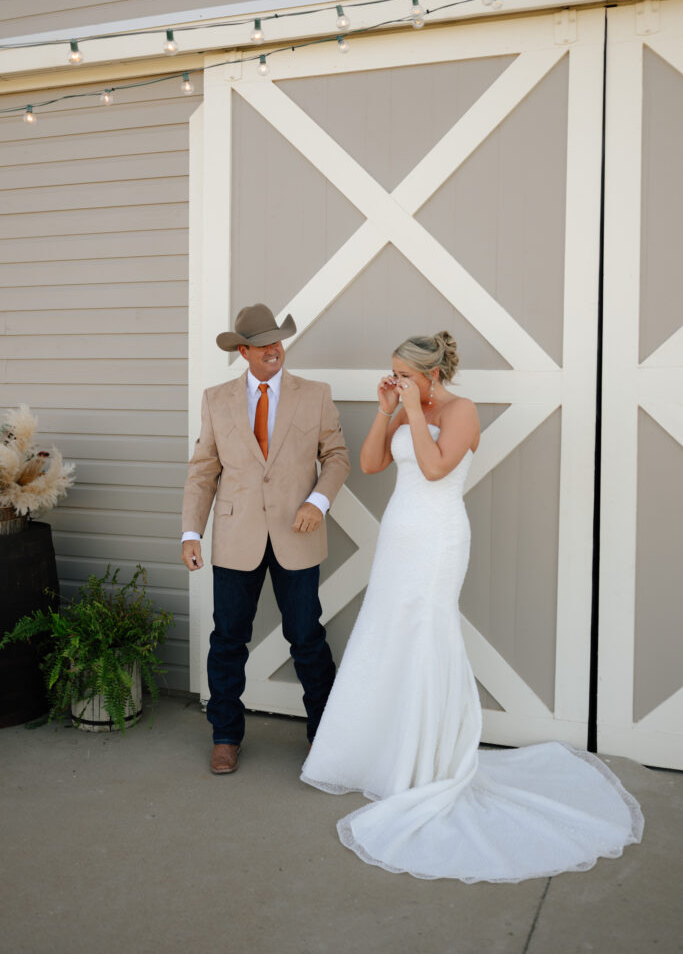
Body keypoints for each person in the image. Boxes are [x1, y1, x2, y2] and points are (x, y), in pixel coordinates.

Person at [301, 331, 643, 883]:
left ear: (431, 374)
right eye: (394, 374)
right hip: (399, 536)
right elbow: (369, 464)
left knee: (426, 634)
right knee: (386, 632)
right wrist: (387, 411)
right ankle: (378, 755)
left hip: (437, 539)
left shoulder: (462, 410)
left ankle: (428, 760)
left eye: (405, 375)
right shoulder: (406, 404)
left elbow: (436, 469)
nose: (397, 381)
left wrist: (413, 410)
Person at [182, 304, 350, 775]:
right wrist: (191, 531)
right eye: (263, 343)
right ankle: (225, 736)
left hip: (298, 536)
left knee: (306, 638)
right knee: (228, 640)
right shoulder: (216, 399)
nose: (274, 349)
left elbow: (336, 457)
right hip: (236, 537)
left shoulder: (315, 395)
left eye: (279, 340)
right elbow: (203, 472)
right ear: (243, 351)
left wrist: (316, 503)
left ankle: (326, 733)